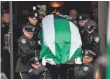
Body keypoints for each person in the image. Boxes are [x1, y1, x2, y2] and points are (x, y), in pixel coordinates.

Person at [38, 11, 83, 79]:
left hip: (52, 56)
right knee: (63, 71)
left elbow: (41, 38)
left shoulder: (47, 26)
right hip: (67, 55)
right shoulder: (70, 23)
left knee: (55, 72)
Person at [1, 10, 10, 79]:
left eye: (9, 17)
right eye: (6, 17)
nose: (8, 18)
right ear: (2, 18)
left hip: (9, 51)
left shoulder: (10, 26)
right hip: (3, 51)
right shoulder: (2, 27)